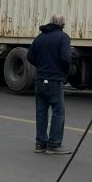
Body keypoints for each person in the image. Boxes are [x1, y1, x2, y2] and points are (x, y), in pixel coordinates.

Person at [27, 14, 73, 155]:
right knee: (58, 112)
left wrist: (41, 66)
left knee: (41, 112)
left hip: (40, 79)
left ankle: (40, 144)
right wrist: (64, 72)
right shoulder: (62, 37)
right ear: (62, 25)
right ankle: (53, 145)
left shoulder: (39, 37)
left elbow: (29, 56)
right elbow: (66, 58)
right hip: (54, 80)